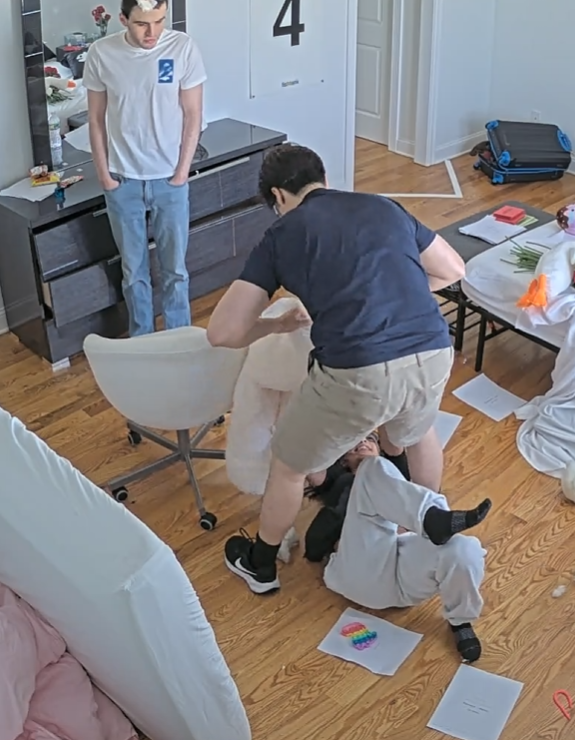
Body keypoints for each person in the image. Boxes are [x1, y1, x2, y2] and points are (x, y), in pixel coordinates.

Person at [206, 143, 466, 594]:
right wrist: (391, 296)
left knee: (289, 465)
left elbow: (223, 332)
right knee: (415, 434)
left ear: (277, 196)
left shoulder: (282, 234)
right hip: (433, 349)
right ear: (322, 179)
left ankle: (261, 565)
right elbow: (453, 269)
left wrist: (277, 324)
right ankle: (424, 526)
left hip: (359, 370)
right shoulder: (382, 206)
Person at [83, 0, 206, 336]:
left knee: (175, 271)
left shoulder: (183, 48)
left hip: (170, 180)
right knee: (133, 272)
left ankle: (179, 340)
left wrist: (181, 172)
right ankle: (142, 343)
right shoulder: (101, 54)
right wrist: (105, 176)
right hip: (123, 181)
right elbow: (95, 120)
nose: (152, 33)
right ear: (123, 19)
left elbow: (193, 115)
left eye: (159, 22)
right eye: (141, 24)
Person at [304, 432, 490, 662]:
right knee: (371, 468)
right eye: (353, 442)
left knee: (465, 548)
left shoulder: (400, 481)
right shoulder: (342, 488)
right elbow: (313, 546)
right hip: (361, 571)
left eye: (369, 438)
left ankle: (461, 620)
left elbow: (405, 441)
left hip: (403, 581)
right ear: (342, 461)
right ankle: (432, 518)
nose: (362, 441)